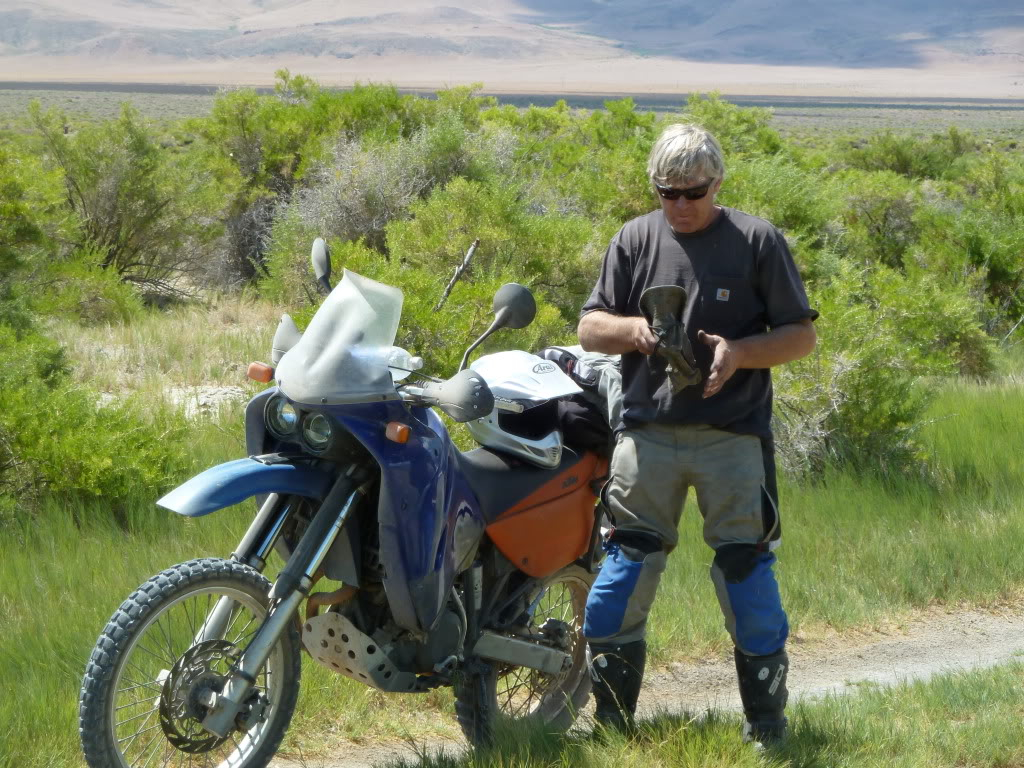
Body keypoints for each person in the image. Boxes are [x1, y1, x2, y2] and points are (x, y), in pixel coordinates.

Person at [577, 123, 818, 744]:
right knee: (622, 575)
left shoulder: (758, 240)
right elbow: (590, 328)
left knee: (746, 574)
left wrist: (737, 353)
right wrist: (635, 333)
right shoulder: (634, 237)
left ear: (718, 183)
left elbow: (801, 336)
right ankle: (611, 732)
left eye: (694, 192)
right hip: (647, 435)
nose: (680, 205)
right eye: (667, 192)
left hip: (732, 437)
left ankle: (767, 731)